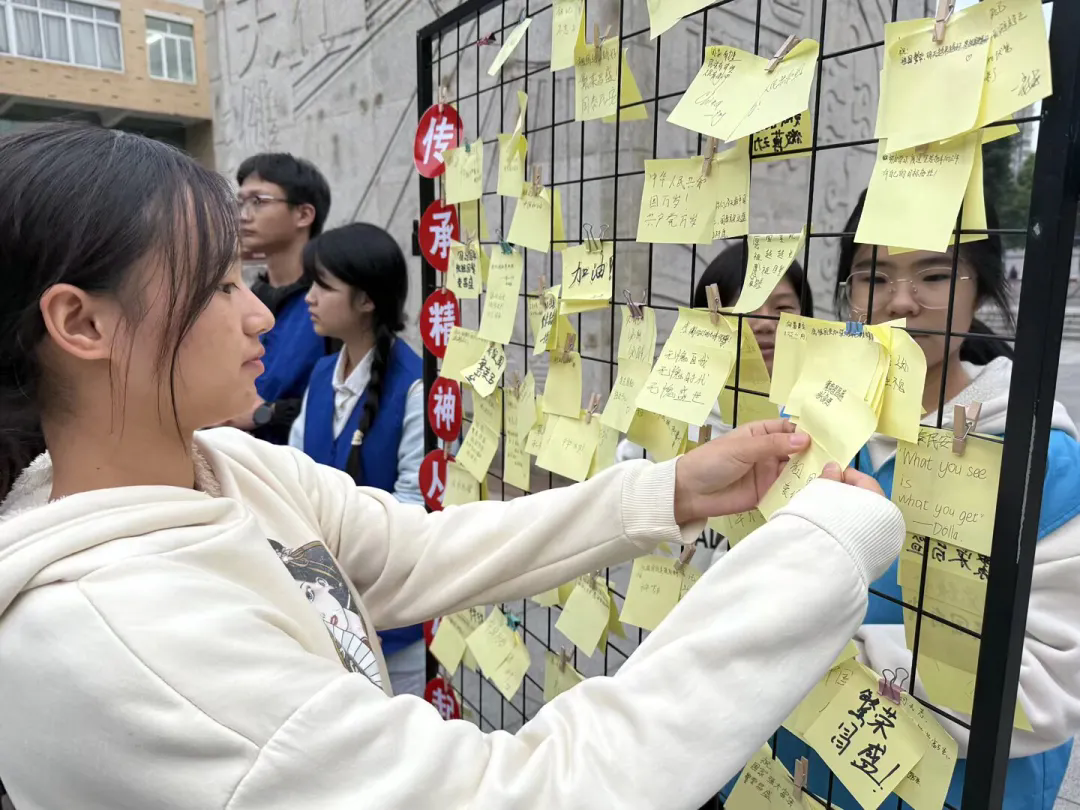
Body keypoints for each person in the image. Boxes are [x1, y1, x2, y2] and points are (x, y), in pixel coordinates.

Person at [0, 124, 905, 810]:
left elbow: (418, 550)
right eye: (217, 287)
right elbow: (538, 793)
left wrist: (665, 492)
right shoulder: (125, 636)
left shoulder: (226, 466)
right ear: (82, 323)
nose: (262, 315)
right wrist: (816, 554)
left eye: (246, 280)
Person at [748, 190, 1080, 810]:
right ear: (849, 292)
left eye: (934, 274)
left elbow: (1046, 688)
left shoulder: (1039, 458)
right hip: (804, 779)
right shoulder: (809, 430)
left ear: (983, 287)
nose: (901, 301)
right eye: (874, 277)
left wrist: (826, 651)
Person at [288, 222, 427, 696]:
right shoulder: (322, 373)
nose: (309, 298)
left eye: (323, 287)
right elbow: (292, 473)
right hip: (319, 606)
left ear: (366, 300)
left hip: (390, 618)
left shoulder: (414, 385)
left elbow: (412, 506)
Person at [616, 242, 814, 467]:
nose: (764, 323)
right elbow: (628, 468)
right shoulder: (675, 400)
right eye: (743, 309)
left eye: (783, 308)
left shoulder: (821, 401)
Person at [228, 152, 333, 443]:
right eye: (240, 202)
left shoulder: (332, 301)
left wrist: (267, 413)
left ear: (304, 215)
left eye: (258, 202)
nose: (244, 216)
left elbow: (351, 401)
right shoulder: (247, 298)